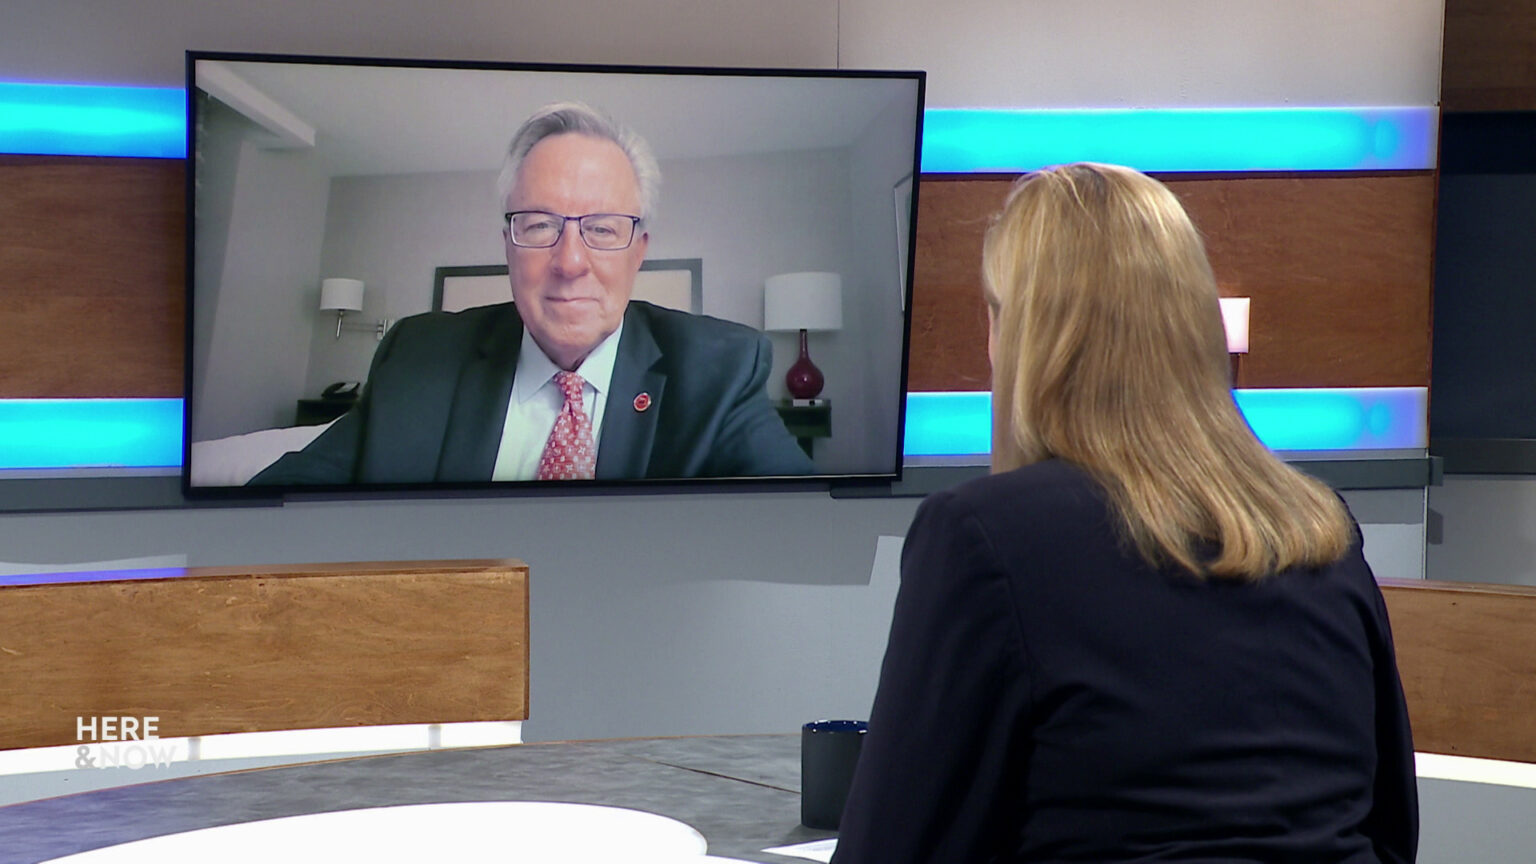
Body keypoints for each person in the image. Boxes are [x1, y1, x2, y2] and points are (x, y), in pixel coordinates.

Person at [831, 164, 1417, 863]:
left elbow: (898, 848)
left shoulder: (985, 536)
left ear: (1016, 334)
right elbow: (1389, 829)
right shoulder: (1316, 526)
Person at [251, 102, 813, 486]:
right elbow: (274, 508)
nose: (570, 263)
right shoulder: (418, 355)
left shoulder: (719, 368)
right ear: (509, 245)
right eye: (541, 225)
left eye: (603, 229)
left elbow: (808, 529)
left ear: (639, 250)